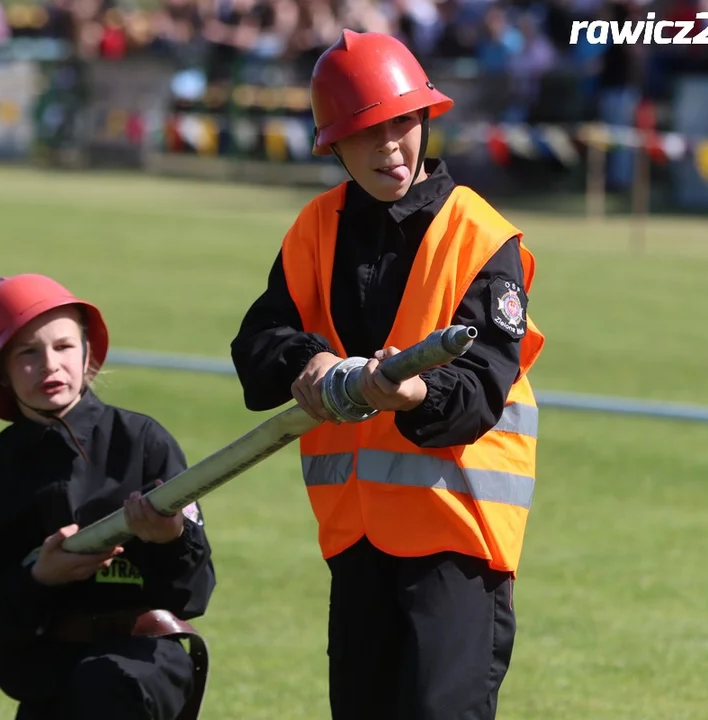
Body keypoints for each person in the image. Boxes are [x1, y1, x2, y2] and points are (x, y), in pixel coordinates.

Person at [229, 29, 546, 720]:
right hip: (356, 540)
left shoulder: (481, 236)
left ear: (426, 120)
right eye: (367, 132)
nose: (391, 147)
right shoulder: (315, 228)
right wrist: (305, 361)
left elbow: (481, 390)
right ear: (333, 145)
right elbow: (256, 345)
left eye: (402, 123)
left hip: (458, 539)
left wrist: (413, 393)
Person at [0, 273, 216, 720]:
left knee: (104, 690)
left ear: (88, 355)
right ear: (0, 372)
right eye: (27, 352)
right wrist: (38, 580)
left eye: (64, 346)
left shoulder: (145, 443)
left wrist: (171, 538)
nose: (50, 365)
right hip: (47, 674)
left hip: (141, 667)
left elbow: (194, 595)